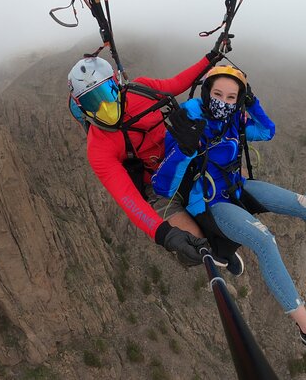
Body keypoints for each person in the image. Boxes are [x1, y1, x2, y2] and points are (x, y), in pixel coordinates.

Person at [151, 65, 306, 363]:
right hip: (211, 202)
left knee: (303, 203)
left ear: (239, 99)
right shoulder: (190, 122)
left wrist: (253, 104)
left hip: (238, 187)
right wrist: (184, 148)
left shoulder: (234, 119)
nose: (223, 101)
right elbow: (163, 185)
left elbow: (267, 130)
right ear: (207, 92)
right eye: (218, 94)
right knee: (265, 240)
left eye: (232, 96)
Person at [67, 52, 216, 267]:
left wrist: (210, 58)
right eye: (92, 101)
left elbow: (177, 83)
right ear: (81, 107)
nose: (103, 107)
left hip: (185, 156)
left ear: (116, 84)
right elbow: (128, 198)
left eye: (106, 94)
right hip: (158, 187)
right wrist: (164, 234)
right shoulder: (98, 147)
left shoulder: (142, 90)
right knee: (197, 247)